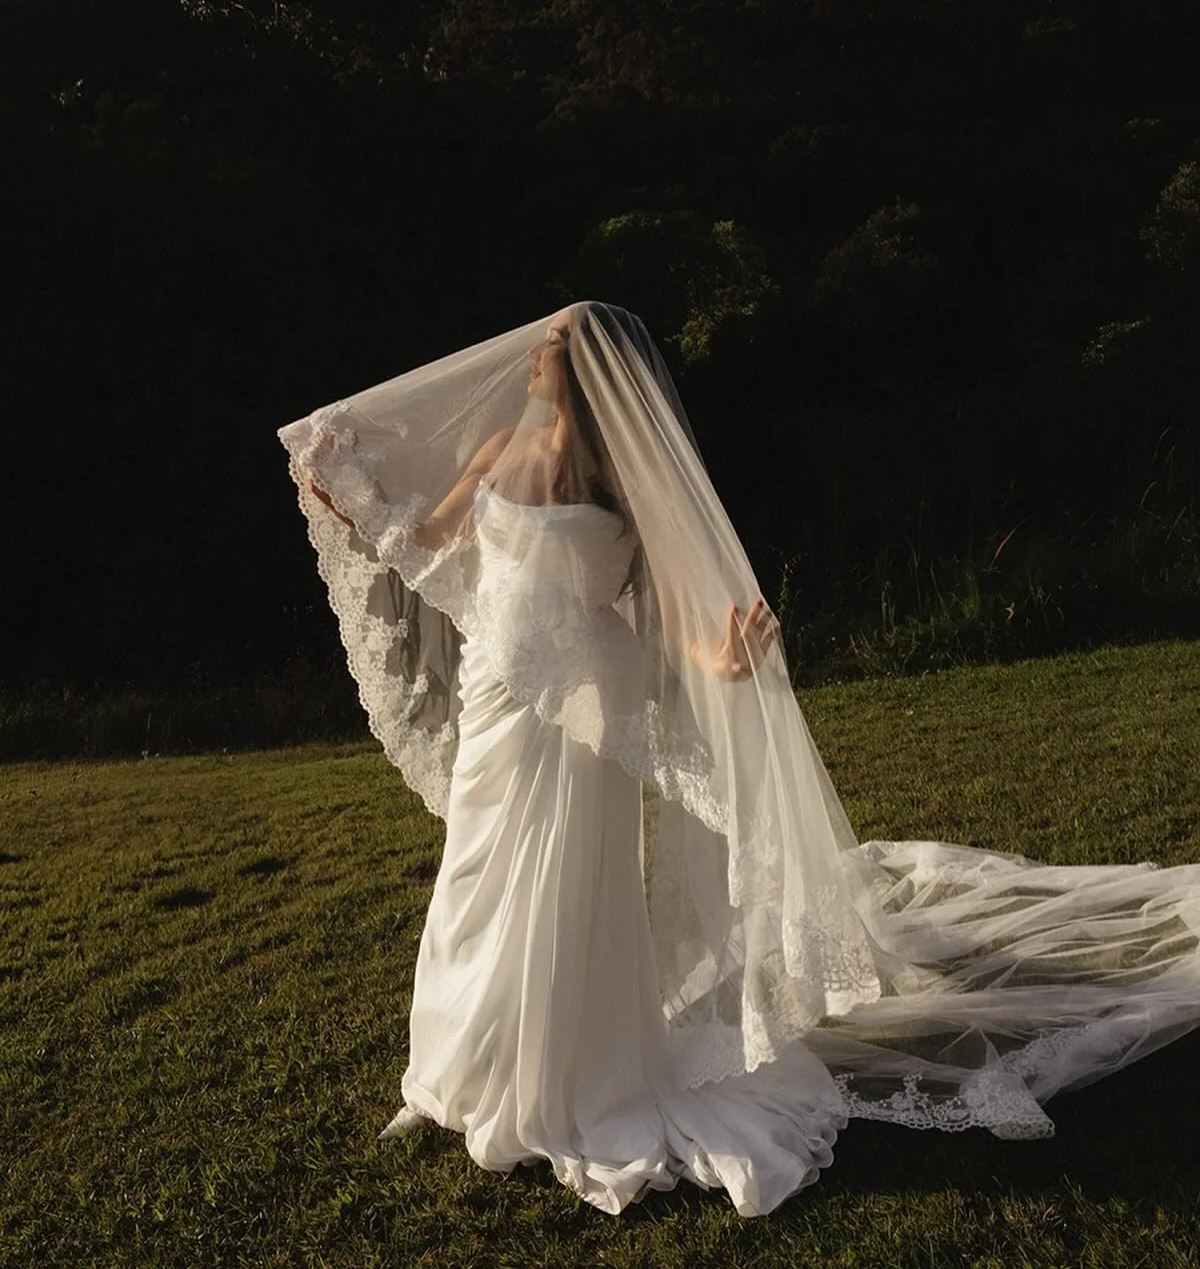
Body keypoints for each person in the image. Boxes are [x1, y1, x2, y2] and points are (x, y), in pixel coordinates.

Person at [280, 302, 1200, 1217]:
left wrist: (716, 657)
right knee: (476, 872)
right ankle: (454, 1075)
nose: (533, 357)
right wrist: (340, 492)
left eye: (553, 349)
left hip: (588, 701)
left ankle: (567, 1078)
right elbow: (429, 541)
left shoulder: (621, 488)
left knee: (564, 879)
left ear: (594, 381)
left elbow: (669, 607)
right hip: (499, 691)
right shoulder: (495, 452)